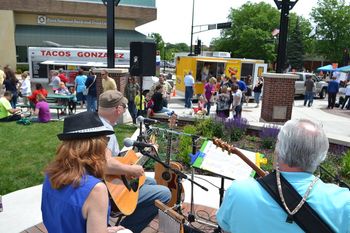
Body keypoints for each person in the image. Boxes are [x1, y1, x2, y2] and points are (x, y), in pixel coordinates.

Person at [217, 119, 350, 233]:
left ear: (279, 149)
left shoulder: (239, 190)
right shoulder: (344, 202)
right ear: (322, 156)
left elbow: (226, 227)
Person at [41, 111, 127, 233]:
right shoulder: (96, 190)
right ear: (94, 146)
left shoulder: (50, 175)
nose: (106, 144)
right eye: (105, 140)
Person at [98, 90, 171, 232]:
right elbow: (104, 164)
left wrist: (137, 157)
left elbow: (111, 159)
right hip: (110, 193)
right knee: (164, 193)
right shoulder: (106, 131)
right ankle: (126, 229)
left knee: (150, 182)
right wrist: (131, 169)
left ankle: (131, 207)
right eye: (124, 107)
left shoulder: (96, 123)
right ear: (119, 109)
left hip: (105, 183)